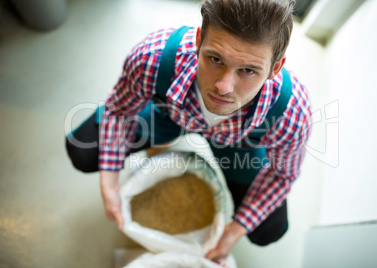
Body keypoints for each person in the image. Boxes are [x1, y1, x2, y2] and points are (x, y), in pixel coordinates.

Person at [66, 0, 312, 262]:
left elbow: (282, 175)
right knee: (84, 150)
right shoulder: (154, 56)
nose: (224, 87)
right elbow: (118, 111)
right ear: (198, 41)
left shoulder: (292, 112)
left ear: (275, 68)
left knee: (269, 230)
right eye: (215, 59)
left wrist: (231, 233)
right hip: (169, 113)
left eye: (248, 70)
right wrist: (110, 180)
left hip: (241, 143)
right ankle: (160, 140)